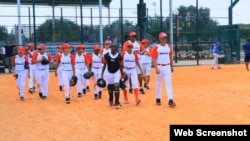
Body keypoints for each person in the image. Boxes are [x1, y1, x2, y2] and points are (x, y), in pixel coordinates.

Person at [151, 32, 176, 107]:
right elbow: (154, 58)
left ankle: (170, 100)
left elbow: (170, 57)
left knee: (168, 83)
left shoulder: (169, 47)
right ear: (160, 38)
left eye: (165, 37)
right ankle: (158, 98)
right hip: (160, 67)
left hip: (167, 67)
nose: (164, 39)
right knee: (158, 84)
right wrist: (156, 68)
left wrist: (171, 67)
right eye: (162, 38)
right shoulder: (156, 47)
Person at [101, 43, 123, 109]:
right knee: (110, 87)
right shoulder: (106, 55)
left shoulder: (119, 56)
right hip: (109, 72)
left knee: (116, 86)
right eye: (112, 47)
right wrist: (102, 74)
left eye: (114, 47)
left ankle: (117, 102)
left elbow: (120, 66)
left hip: (116, 72)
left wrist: (122, 74)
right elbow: (104, 65)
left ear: (116, 48)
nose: (112, 48)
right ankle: (111, 98)